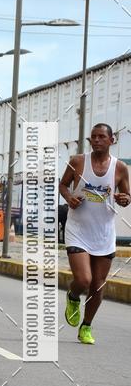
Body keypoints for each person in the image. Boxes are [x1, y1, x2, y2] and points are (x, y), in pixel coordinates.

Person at [59, 122, 130, 344]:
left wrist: (125, 199)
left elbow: (127, 195)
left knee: (98, 285)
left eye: (101, 136)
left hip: (103, 233)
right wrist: (69, 198)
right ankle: (73, 296)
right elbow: (63, 185)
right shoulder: (78, 162)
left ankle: (86, 327)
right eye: (93, 137)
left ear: (112, 140)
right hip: (78, 230)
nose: (96, 140)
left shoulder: (120, 168)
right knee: (84, 279)